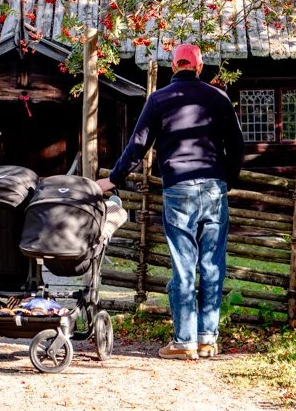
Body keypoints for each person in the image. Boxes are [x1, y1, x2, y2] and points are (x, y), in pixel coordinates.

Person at [96, 43, 244, 360]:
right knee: (212, 264)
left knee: (184, 264)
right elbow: (236, 144)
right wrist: (226, 179)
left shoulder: (159, 99)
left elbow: (137, 146)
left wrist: (113, 179)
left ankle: (185, 341)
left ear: (174, 67)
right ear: (199, 67)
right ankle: (207, 339)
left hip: (178, 188)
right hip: (213, 186)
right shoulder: (219, 98)